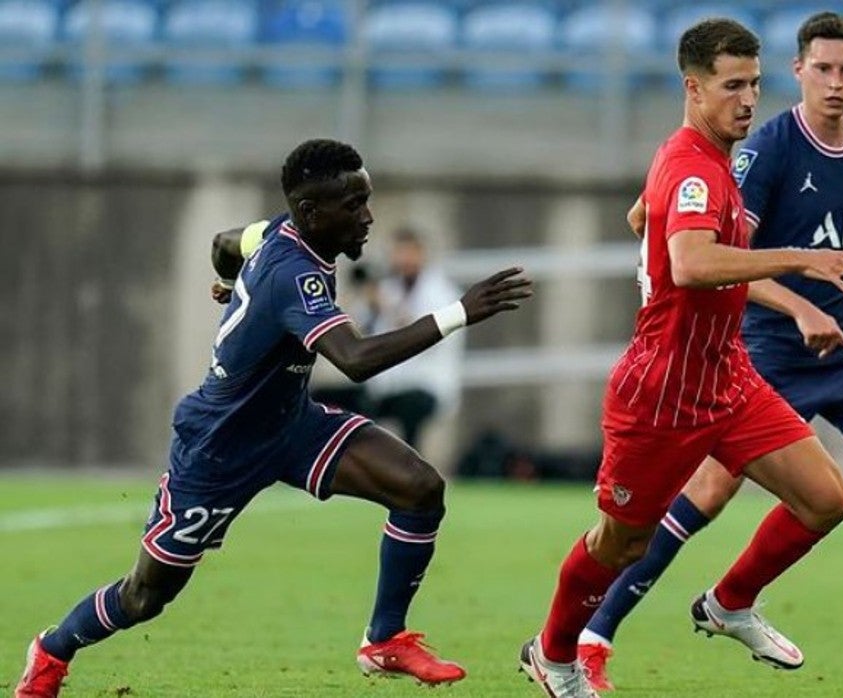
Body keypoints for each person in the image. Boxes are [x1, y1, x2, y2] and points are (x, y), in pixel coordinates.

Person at [575, 12, 843, 694]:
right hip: (763, 349)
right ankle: (595, 640)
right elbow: (717, 252)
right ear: (798, 72)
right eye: (823, 69)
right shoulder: (762, 151)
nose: (836, 83)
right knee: (707, 490)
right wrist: (797, 301)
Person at [15, 138, 532, 697]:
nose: (368, 217)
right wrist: (460, 312)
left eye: (367, 200)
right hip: (220, 448)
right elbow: (355, 361)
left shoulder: (276, 231)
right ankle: (51, 651)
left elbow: (221, 244)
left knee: (420, 489)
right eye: (354, 205)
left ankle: (384, 639)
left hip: (290, 426)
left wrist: (238, 287)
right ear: (313, 214)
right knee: (145, 597)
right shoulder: (296, 275)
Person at [519, 18, 843, 697]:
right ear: (694, 88)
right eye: (732, 86)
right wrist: (803, 259)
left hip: (727, 377)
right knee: (619, 544)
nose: (748, 100)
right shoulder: (692, 165)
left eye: (755, 85)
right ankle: (554, 652)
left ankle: (730, 603)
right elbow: (689, 261)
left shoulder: (705, 161)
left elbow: (642, 219)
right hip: (662, 392)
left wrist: (657, 224)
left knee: (826, 499)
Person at [357, 228, 465, 450]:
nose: (402, 260)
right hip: (387, 384)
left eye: (408, 253)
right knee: (345, 403)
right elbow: (361, 333)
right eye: (398, 253)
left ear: (421, 254)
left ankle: (412, 469)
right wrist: (370, 305)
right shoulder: (388, 288)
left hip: (427, 383)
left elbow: (428, 334)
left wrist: (390, 309)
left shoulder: (441, 292)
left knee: (411, 407)